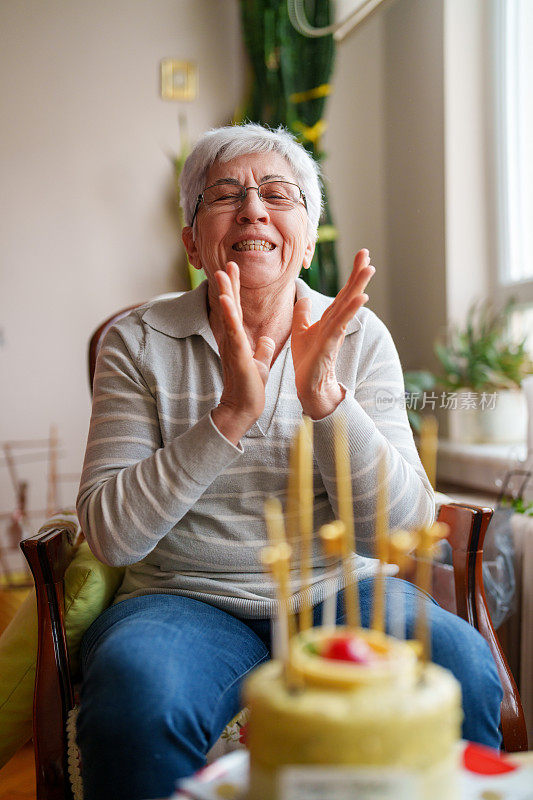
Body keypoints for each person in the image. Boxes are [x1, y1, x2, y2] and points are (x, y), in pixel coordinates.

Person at [76, 123, 502, 800]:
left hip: (340, 591)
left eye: (278, 194)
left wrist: (327, 401)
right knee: (137, 694)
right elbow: (112, 534)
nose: (252, 209)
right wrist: (228, 417)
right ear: (192, 240)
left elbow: (398, 533)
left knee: (458, 668)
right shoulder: (138, 339)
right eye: (225, 195)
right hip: (182, 598)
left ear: (306, 242)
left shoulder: (358, 334)